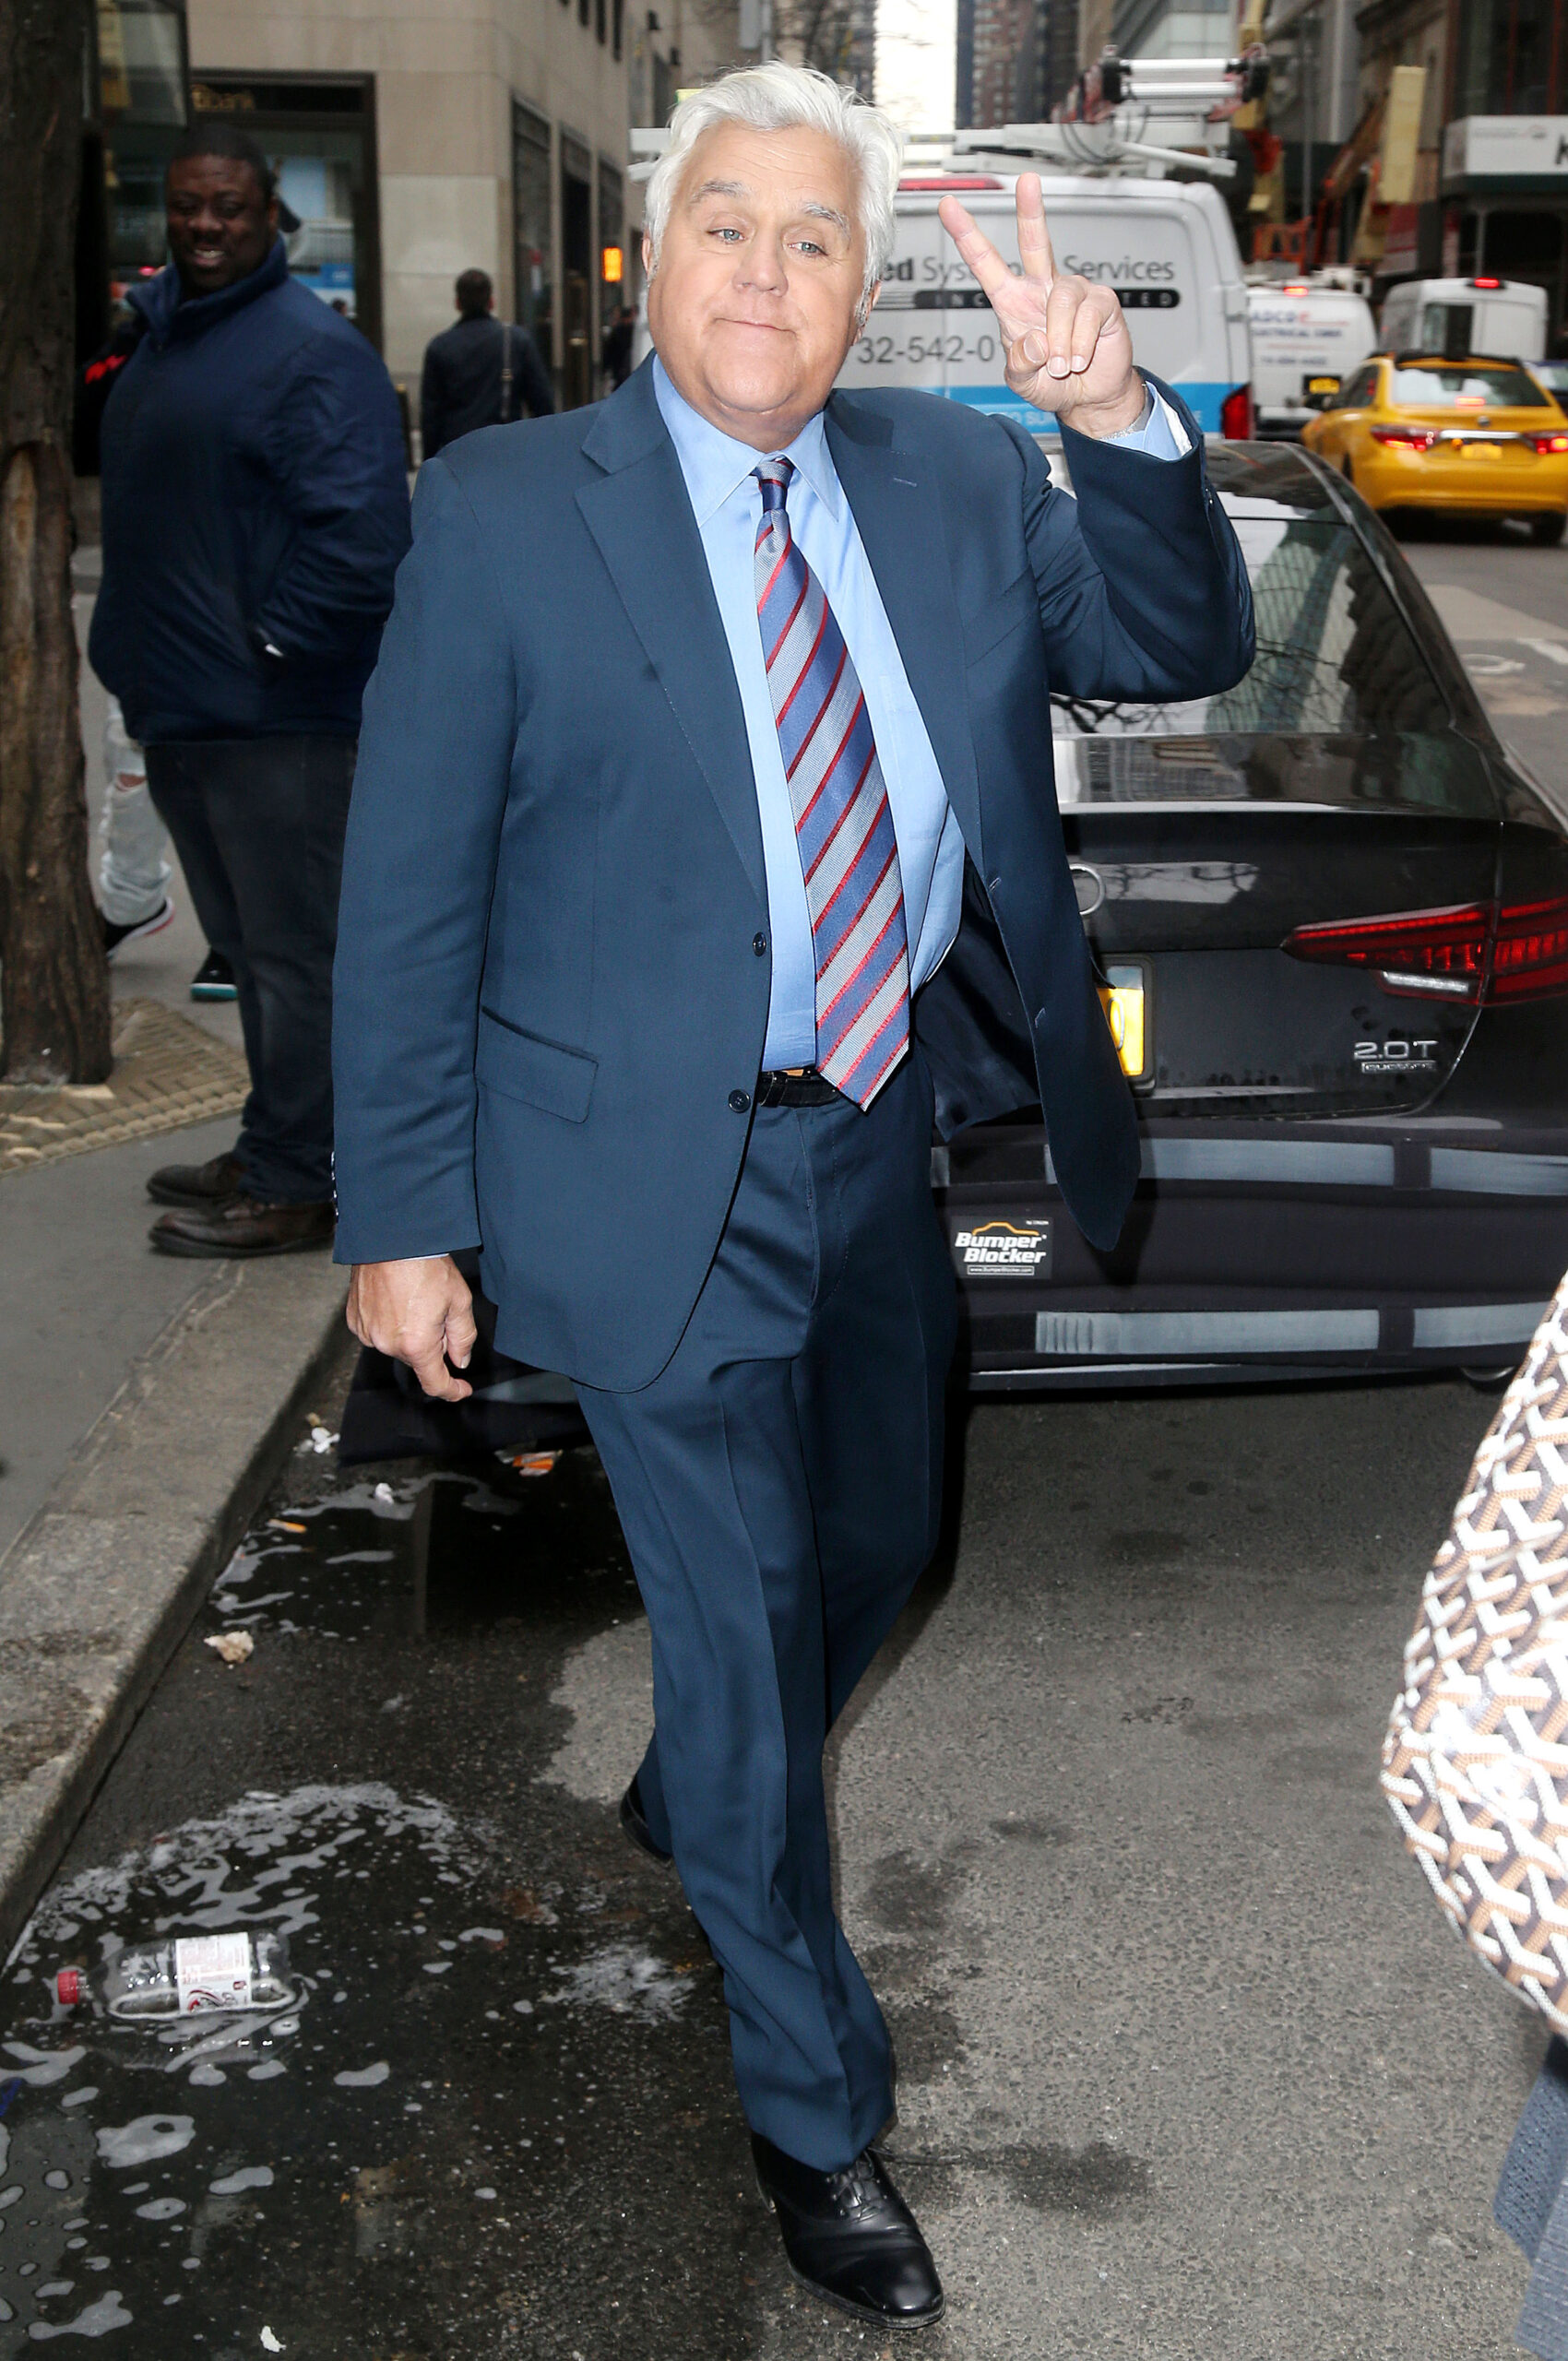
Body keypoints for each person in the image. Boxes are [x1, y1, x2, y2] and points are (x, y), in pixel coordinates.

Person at [332, 64, 1253, 2330]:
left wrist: (1120, 409)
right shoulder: (513, 507)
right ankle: (814, 2110)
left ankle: (702, 1799)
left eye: (811, 235)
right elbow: (407, 887)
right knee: (740, 1641)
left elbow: (1177, 643)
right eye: (723, 223)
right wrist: (399, 1214)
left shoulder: (953, 476)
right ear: (654, 258)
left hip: (869, 1137)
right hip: (634, 1175)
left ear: (865, 286)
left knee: (887, 1539)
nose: (764, 268)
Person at [89, 120, 410, 1258]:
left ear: (268, 210)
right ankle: (271, 1141)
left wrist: (267, 652)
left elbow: (364, 541)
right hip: (186, 712)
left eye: (227, 205)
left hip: (278, 722)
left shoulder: (306, 350)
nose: (205, 224)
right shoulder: (169, 334)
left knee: (293, 960)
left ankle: (303, 1178)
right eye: (186, 205)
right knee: (250, 954)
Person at [419, 268, 554, 458]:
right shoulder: (516, 341)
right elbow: (542, 403)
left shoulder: (439, 347)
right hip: (505, 450)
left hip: (457, 453)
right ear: (491, 302)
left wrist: (430, 461)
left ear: (457, 303)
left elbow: (431, 417)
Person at [601, 301, 636, 390]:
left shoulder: (617, 331)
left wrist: (605, 367)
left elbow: (609, 350)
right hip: (627, 364)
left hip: (618, 365)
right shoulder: (633, 331)